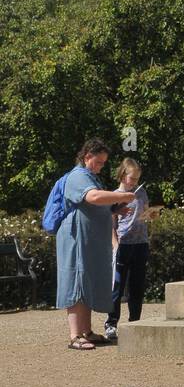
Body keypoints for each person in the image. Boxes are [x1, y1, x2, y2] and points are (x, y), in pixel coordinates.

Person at [55, 138, 136, 350]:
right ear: (87, 156)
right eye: (98, 162)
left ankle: (86, 331)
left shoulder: (90, 176)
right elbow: (92, 197)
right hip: (76, 239)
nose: (101, 166)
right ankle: (75, 336)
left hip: (88, 239)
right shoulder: (78, 176)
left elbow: (96, 204)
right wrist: (122, 195)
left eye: (103, 163)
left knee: (86, 281)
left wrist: (115, 210)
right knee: (76, 282)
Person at [104, 157, 157, 343]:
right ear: (123, 175)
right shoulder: (114, 195)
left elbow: (146, 212)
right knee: (117, 286)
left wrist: (151, 214)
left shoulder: (141, 193)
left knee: (137, 285)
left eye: (137, 179)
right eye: (132, 179)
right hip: (123, 244)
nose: (134, 182)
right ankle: (111, 323)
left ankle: (135, 321)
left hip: (140, 242)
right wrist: (115, 243)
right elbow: (110, 222)